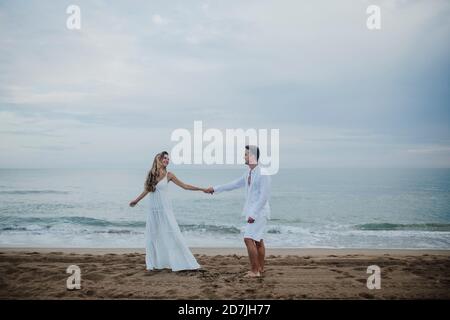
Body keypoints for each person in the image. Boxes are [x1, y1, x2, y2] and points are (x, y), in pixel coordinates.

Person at [129, 151, 205, 271]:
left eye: (168, 159)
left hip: (165, 210)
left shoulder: (169, 175)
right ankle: (152, 265)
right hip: (153, 211)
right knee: (151, 237)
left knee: (172, 234)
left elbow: (184, 186)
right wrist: (136, 200)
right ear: (159, 159)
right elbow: (147, 190)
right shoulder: (152, 174)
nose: (167, 160)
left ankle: (182, 262)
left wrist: (202, 189)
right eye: (165, 158)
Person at [204, 145, 271, 277]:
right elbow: (233, 184)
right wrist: (215, 189)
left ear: (252, 156)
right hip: (253, 211)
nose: (243, 156)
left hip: (259, 212)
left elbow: (264, 197)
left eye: (246, 154)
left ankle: (254, 271)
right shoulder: (248, 173)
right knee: (258, 241)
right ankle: (260, 269)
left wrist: (254, 214)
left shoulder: (264, 173)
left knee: (248, 238)